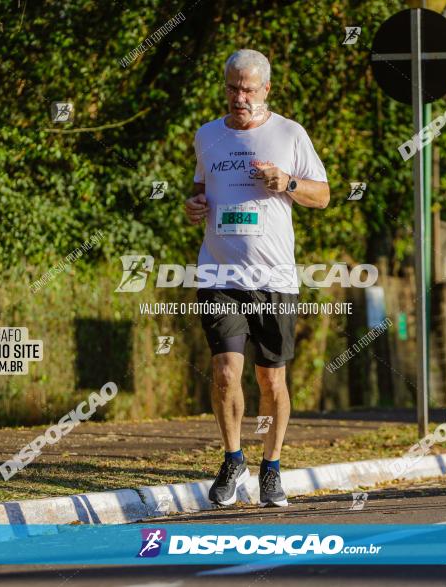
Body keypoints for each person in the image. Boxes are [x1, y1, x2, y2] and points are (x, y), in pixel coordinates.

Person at [184, 49, 329, 507]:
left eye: (248, 89)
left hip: (275, 278)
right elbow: (199, 191)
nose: (239, 97)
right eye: (232, 88)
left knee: (271, 381)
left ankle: (271, 467)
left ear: (266, 89)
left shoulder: (290, 134)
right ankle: (232, 458)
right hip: (219, 272)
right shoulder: (207, 136)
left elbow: (322, 195)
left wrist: (287, 183)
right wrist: (194, 207)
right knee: (226, 371)